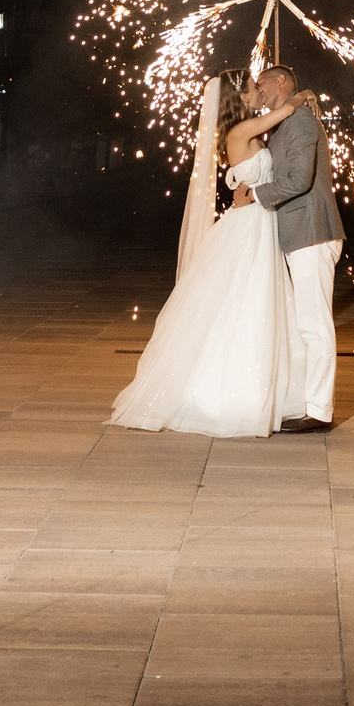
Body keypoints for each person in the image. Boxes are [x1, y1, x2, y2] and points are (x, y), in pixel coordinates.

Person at [106, 73, 306, 437]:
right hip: (249, 228)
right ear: (238, 97)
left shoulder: (244, 130)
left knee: (252, 303)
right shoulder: (240, 132)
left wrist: (240, 185)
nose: (257, 92)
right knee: (246, 302)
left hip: (257, 223)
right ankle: (230, 394)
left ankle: (262, 390)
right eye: (251, 88)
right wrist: (303, 93)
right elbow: (287, 109)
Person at [249, 62, 345, 433]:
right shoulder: (286, 120)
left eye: (262, 84)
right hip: (300, 232)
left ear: (282, 81)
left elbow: (299, 180)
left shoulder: (301, 120)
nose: (258, 92)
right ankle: (309, 402)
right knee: (307, 323)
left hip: (313, 230)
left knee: (315, 324)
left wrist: (255, 195)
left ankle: (320, 411)